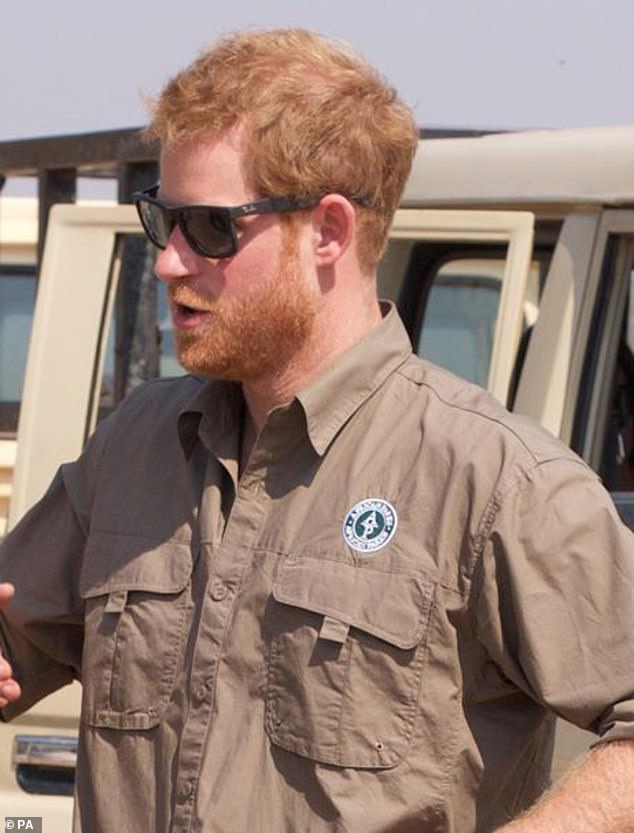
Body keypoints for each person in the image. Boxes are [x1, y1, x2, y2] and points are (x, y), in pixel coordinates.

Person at [1, 27, 634, 833]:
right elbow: (16, 637)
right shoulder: (137, 446)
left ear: (330, 231)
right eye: (163, 220)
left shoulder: (490, 479)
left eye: (210, 227)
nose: (168, 261)